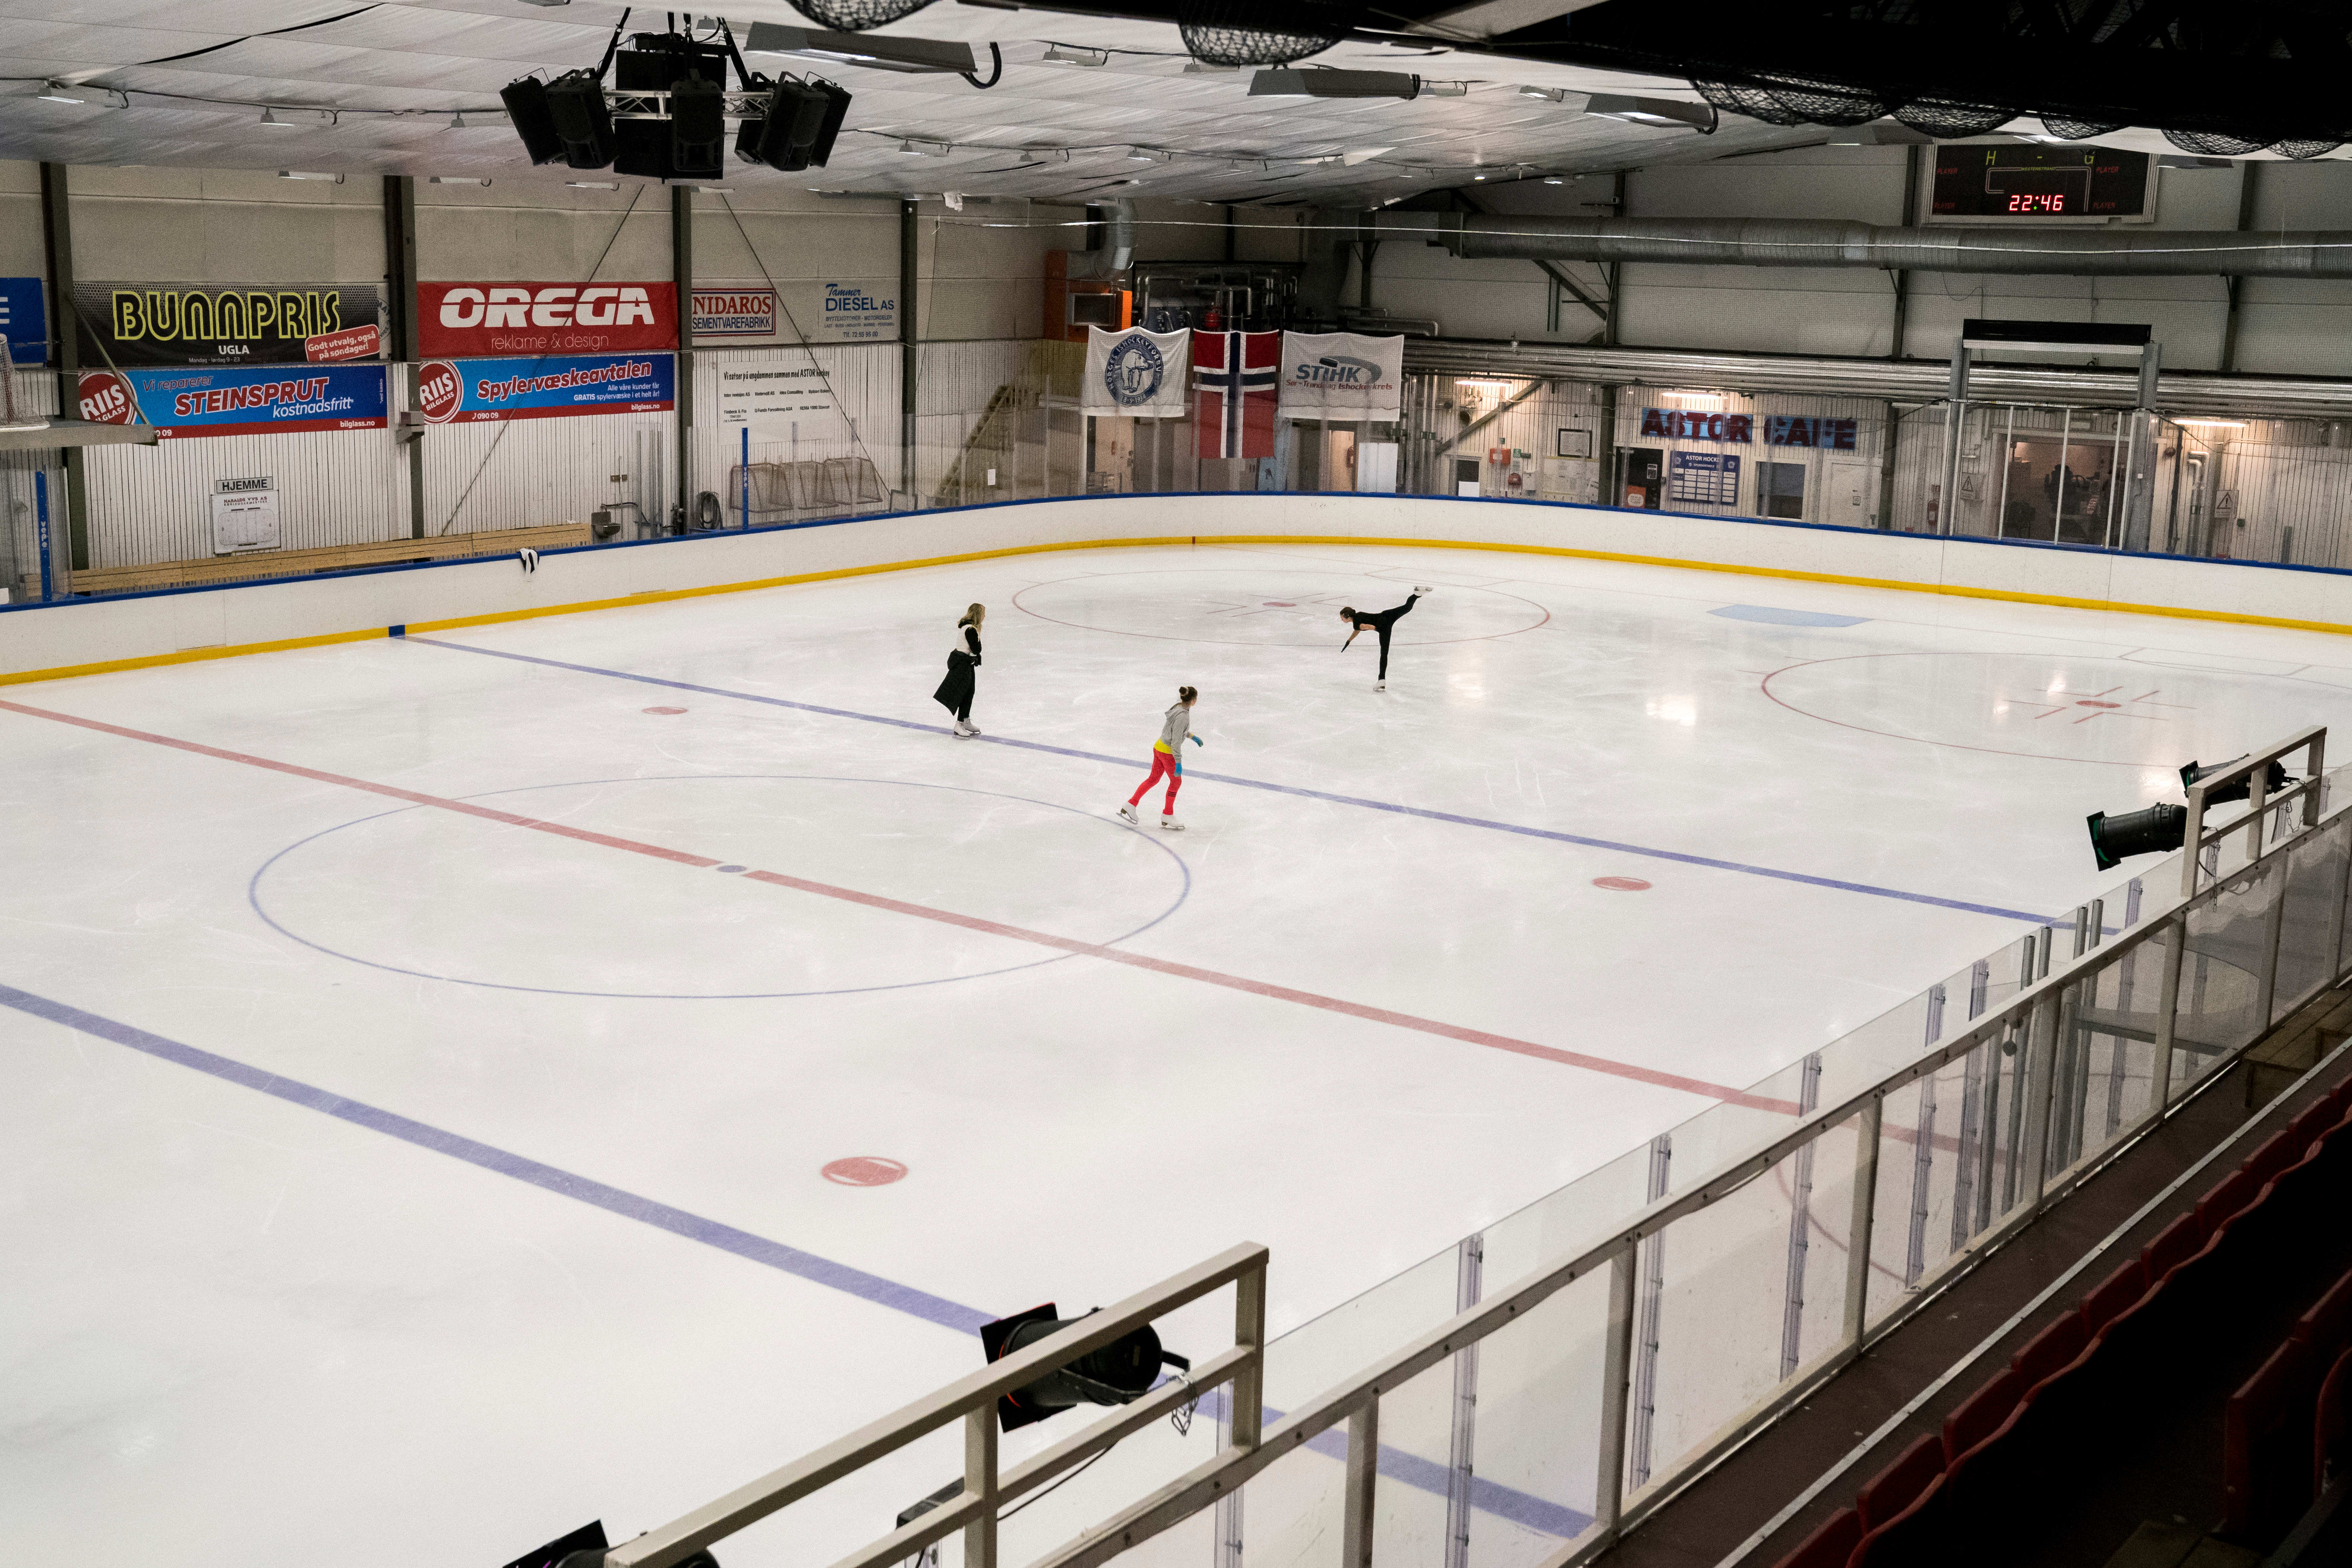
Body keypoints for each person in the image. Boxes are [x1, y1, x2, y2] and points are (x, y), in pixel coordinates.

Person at [1118, 686, 1203, 831]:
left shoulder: (1178, 707)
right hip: (1167, 752)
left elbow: (1176, 730)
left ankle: (1131, 804)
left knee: (1153, 779)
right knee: (1176, 782)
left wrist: (1192, 736)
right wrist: (1178, 762)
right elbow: (1176, 741)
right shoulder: (1183, 716)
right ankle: (1168, 814)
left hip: (1159, 747)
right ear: (1193, 701)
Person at [1338, 587, 1433, 690]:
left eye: (1342, 618)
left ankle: (1382, 680)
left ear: (1348, 617)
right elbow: (1358, 629)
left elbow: (1365, 627)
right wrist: (1349, 641)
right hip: (1387, 615)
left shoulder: (1356, 624)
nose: (1342, 620)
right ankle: (1417, 594)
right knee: (1407, 608)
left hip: (1384, 626)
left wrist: (1378, 629)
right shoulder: (1358, 615)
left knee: (1384, 654)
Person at [933, 603, 985, 736]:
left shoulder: (970, 628)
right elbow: (977, 649)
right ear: (978, 615)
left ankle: (965, 720)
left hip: (967, 663)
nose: (984, 616)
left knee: (970, 691)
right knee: (964, 692)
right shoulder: (970, 630)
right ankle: (959, 724)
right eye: (983, 614)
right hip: (963, 664)